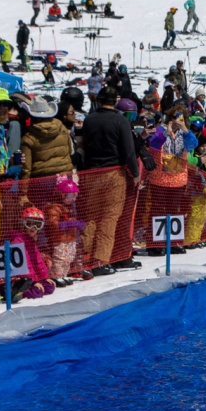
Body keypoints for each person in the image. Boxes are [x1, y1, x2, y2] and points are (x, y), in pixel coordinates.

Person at [79, 87, 139, 275]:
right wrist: (135, 173)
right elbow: (129, 151)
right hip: (114, 173)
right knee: (109, 217)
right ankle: (101, 259)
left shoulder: (89, 120)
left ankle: (85, 256)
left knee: (91, 216)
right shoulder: (120, 120)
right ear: (115, 102)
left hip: (90, 173)